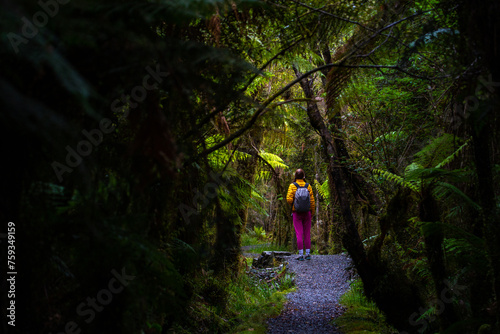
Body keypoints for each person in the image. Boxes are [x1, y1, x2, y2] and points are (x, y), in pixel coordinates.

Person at [286, 169, 315, 261]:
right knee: (307, 233)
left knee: (299, 233)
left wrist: (295, 204)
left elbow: (289, 199)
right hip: (307, 213)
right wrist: (312, 212)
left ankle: (300, 255)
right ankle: (308, 254)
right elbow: (312, 201)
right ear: (304, 176)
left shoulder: (292, 186)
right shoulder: (308, 186)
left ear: (295, 176)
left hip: (296, 213)